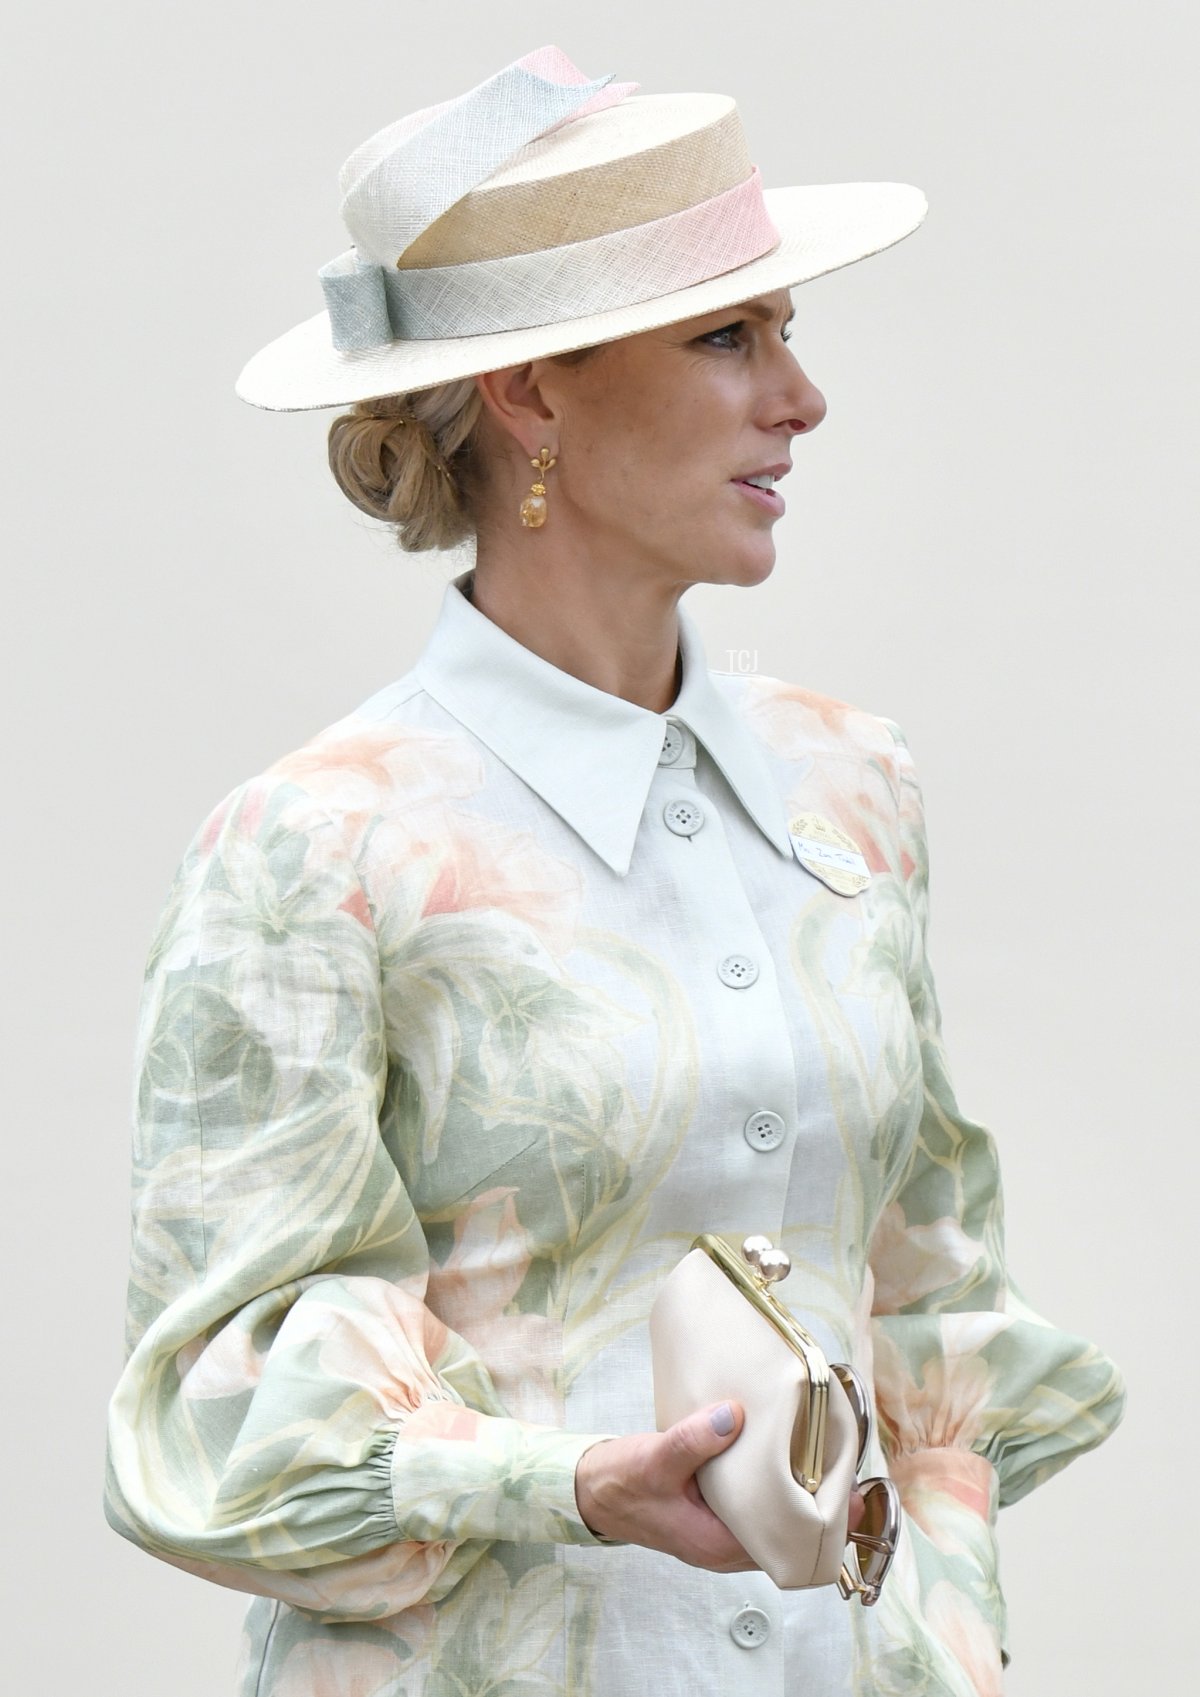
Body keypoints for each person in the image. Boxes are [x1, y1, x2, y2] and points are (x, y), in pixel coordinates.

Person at [104, 46, 1126, 1697]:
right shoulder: (314, 849)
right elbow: (215, 1418)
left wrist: (939, 1632)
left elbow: (932, 1304)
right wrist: (563, 1483)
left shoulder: (853, 789)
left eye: (786, 331)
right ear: (534, 392)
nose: (799, 397)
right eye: (729, 335)